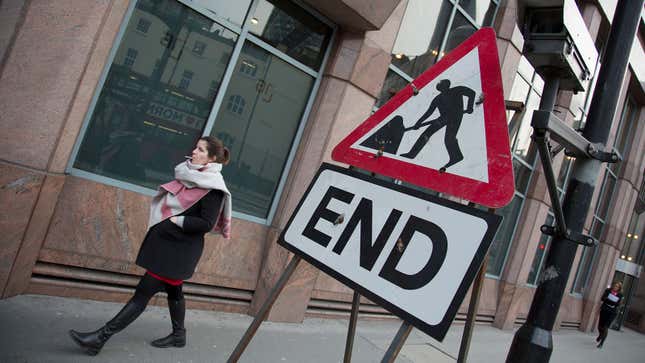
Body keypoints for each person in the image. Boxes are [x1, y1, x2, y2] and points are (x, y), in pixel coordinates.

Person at [69, 136, 232, 356]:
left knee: (142, 294)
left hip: (178, 252)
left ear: (211, 158)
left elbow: (206, 223)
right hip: (169, 247)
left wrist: (177, 221)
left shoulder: (213, 188)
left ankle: (100, 338)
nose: (193, 151)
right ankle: (179, 335)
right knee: (174, 291)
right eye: (196, 147)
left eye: (200, 150)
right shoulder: (189, 175)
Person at [400, 79, 476, 171]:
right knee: (427, 133)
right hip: (444, 118)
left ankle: (456, 156)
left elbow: (472, 93)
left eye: (440, 83)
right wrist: (418, 123)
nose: (438, 84)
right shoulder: (437, 98)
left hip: (456, 116)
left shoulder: (457, 90)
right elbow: (429, 112)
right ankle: (412, 154)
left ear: (446, 85)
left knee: (449, 138)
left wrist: (470, 107)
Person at [596, 281, 623, 348]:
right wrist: (611, 301)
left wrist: (608, 300)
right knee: (600, 326)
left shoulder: (620, 295)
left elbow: (618, 304)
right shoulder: (608, 290)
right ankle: (600, 335)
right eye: (615, 285)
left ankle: (601, 343)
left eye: (617, 286)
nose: (615, 287)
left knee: (605, 327)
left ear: (619, 288)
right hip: (604, 310)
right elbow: (602, 298)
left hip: (612, 312)